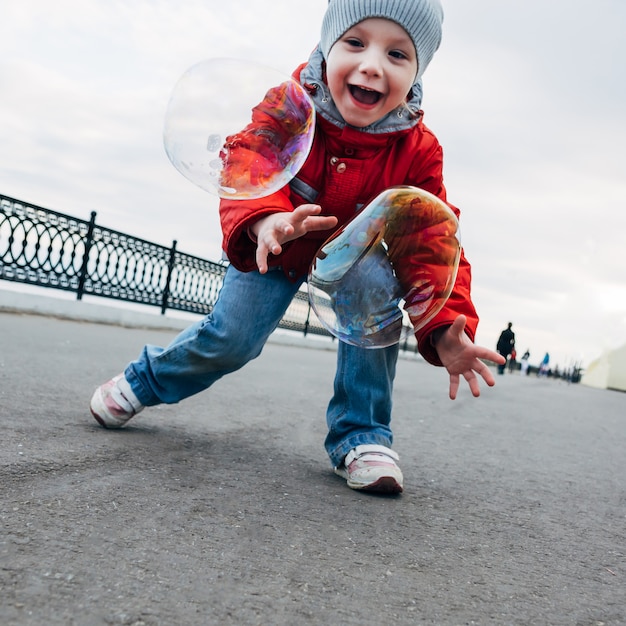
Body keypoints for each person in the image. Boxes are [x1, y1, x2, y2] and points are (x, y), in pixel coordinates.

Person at [90, 0, 505, 495]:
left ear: (418, 72)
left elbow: (429, 236)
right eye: (355, 43)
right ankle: (146, 380)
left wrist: (444, 330)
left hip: (353, 260)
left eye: (397, 54)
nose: (372, 64)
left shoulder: (418, 148)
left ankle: (362, 435)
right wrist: (264, 219)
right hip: (276, 244)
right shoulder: (289, 103)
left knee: (374, 294)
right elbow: (248, 157)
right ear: (327, 47)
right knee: (232, 338)